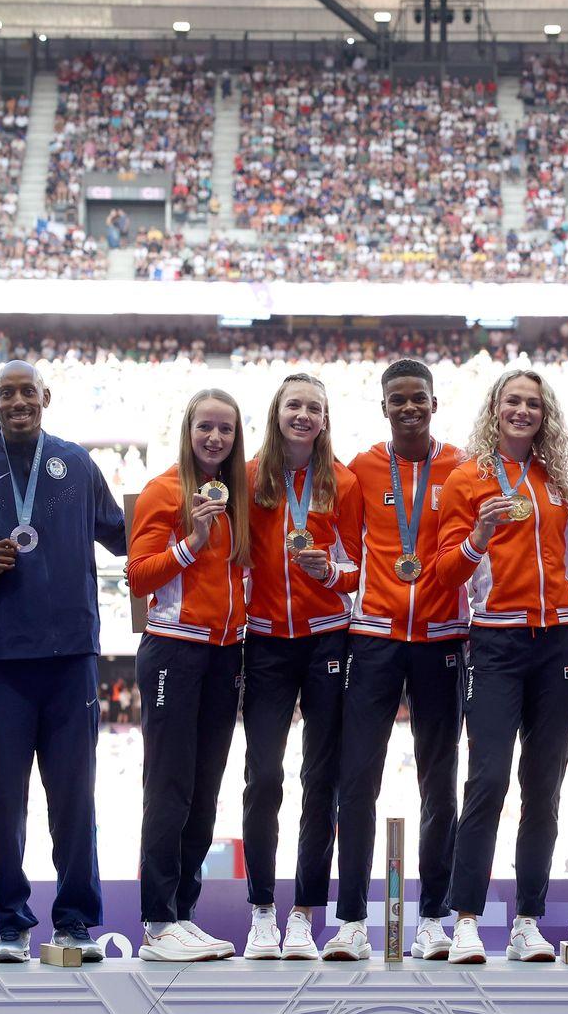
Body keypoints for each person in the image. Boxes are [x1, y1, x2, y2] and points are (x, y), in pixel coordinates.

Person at [0, 360, 127, 964]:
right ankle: (10, 926)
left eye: (28, 392)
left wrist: (188, 516)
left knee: (74, 797)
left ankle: (74, 923)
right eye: (7, 393)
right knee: (4, 800)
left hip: (70, 658)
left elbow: (122, 535)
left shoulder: (77, 463)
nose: (19, 401)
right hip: (1, 661)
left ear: (46, 396)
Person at [431, 367, 568, 964]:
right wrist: (480, 534)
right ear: (494, 410)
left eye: (533, 403)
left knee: (543, 788)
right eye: (512, 402)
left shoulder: (555, 482)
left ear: (544, 414)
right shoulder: (465, 478)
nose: (523, 411)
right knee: (488, 781)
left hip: (558, 645)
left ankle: (527, 921)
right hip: (495, 643)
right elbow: (447, 571)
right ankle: (466, 919)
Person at [333, 360, 468, 962]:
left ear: (434, 405)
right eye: (398, 400)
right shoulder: (361, 468)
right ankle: (353, 922)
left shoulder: (462, 465)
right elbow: (347, 549)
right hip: (376, 636)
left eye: (419, 399)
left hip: (441, 637)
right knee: (356, 778)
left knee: (439, 782)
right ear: (383, 407)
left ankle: (435, 917)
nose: (409, 408)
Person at [239, 374, 362, 960]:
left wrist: (328, 574)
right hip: (264, 642)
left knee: (322, 781)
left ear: (325, 417)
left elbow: (362, 571)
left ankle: (304, 914)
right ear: (277, 412)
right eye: (295, 406)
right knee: (264, 777)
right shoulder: (246, 477)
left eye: (314, 407)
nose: (304, 415)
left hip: (326, 641)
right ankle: (261, 909)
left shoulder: (346, 482)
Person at [131, 389, 249, 963]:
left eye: (226, 429)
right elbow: (137, 576)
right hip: (174, 650)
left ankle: (182, 912)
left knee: (204, 791)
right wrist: (191, 543)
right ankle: (156, 921)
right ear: (189, 429)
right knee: (169, 786)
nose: (215, 438)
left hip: (226, 653)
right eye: (206, 427)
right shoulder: (164, 491)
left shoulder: (241, 498)